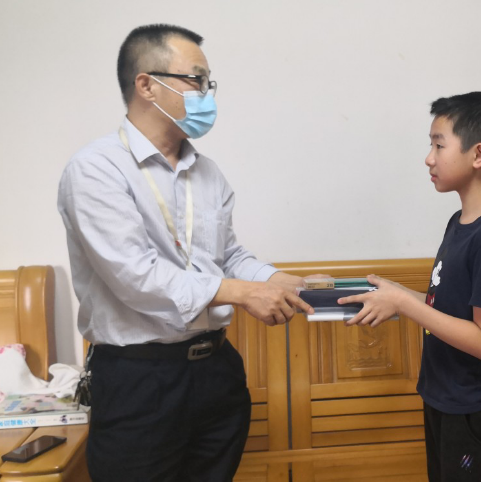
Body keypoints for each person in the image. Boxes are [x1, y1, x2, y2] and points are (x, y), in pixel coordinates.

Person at [57, 24, 315, 482]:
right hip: (140, 378)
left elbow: (227, 254)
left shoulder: (207, 172)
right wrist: (242, 293)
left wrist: (276, 280)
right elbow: (135, 276)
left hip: (216, 372)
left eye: (208, 82)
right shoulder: (96, 169)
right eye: (196, 79)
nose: (206, 94)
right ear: (146, 85)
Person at [339, 92, 481, 482]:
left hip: (477, 407)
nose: (429, 158)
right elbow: (451, 308)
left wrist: (405, 305)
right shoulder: (461, 222)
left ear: (478, 155)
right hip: (448, 397)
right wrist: (398, 294)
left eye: (439, 145)